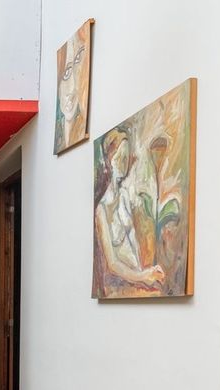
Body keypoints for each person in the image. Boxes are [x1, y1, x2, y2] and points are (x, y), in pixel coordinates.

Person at [94, 129, 165, 295]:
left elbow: (133, 239)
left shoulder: (125, 196)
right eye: (119, 157)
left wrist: (145, 273)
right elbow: (112, 264)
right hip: (116, 287)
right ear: (109, 160)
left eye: (126, 157)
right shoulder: (101, 210)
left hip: (135, 279)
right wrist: (142, 276)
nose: (123, 163)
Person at [54, 25, 90, 153]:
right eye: (66, 74)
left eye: (78, 60)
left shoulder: (81, 124)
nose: (73, 87)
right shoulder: (60, 136)